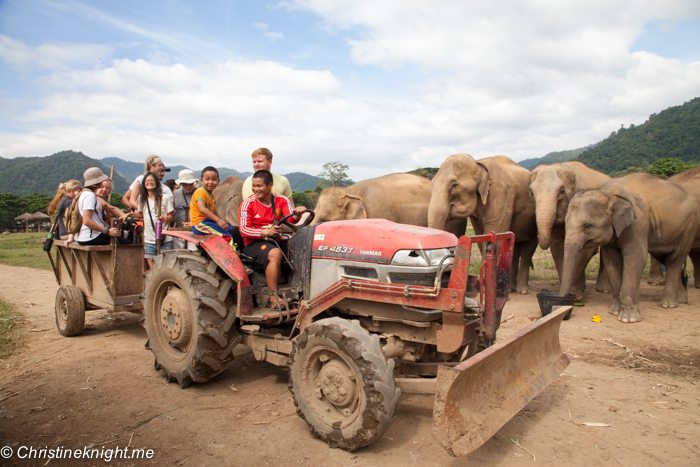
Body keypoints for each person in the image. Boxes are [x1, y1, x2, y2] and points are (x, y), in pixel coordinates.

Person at [239, 170, 306, 308]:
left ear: (270, 185)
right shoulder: (248, 204)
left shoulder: (281, 200)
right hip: (254, 243)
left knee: (302, 246)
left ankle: (302, 290)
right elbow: (244, 230)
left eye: (259, 186)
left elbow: (291, 218)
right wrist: (265, 232)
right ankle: (273, 298)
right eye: (254, 186)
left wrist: (298, 214)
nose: (255, 189)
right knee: (275, 253)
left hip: (275, 240)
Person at [129, 172, 175, 268]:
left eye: (152, 180)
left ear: (157, 183)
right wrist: (129, 215)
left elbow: (172, 216)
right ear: (144, 184)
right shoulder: (142, 199)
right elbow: (141, 214)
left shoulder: (165, 198)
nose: (150, 182)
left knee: (166, 268)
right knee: (153, 269)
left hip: (164, 238)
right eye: (147, 181)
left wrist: (164, 218)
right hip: (149, 239)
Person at [76, 168, 128, 246]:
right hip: (92, 237)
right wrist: (106, 231)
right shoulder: (90, 196)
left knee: (123, 241)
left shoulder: (85, 193)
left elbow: (95, 218)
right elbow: (86, 221)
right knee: (129, 245)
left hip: (87, 236)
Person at [190, 166, 235, 243]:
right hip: (200, 223)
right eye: (207, 179)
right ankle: (231, 254)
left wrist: (221, 221)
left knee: (228, 227)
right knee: (227, 237)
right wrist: (218, 220)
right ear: (201, 180)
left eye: (213, 179)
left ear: (218, 181)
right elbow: (202, 209)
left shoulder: (212, 195)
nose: (210, 182)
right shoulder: (200, 191)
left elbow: (213, 210)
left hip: (208, 222)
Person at [172, 169, 198, 249]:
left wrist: (193, 223)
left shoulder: (199, 193)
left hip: (194, 232)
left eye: (190, 184)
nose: (188, 187)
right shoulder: (176, 194)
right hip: (179, 231)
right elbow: (173, 211)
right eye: (185, 184)